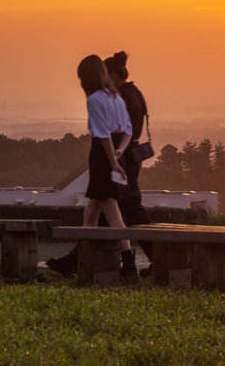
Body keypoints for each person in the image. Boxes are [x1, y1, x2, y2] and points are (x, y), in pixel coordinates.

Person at [48, 52, 154, 279]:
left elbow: (103, 132)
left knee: (118, 214)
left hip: (108, 158)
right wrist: (119, 153)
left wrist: (113, 159)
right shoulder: (132, 94)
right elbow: (127, 129)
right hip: (126, 156)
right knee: (97, 212)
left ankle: (129, 267)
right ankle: (79, 261)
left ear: (113, 75)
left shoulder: (106, 97)